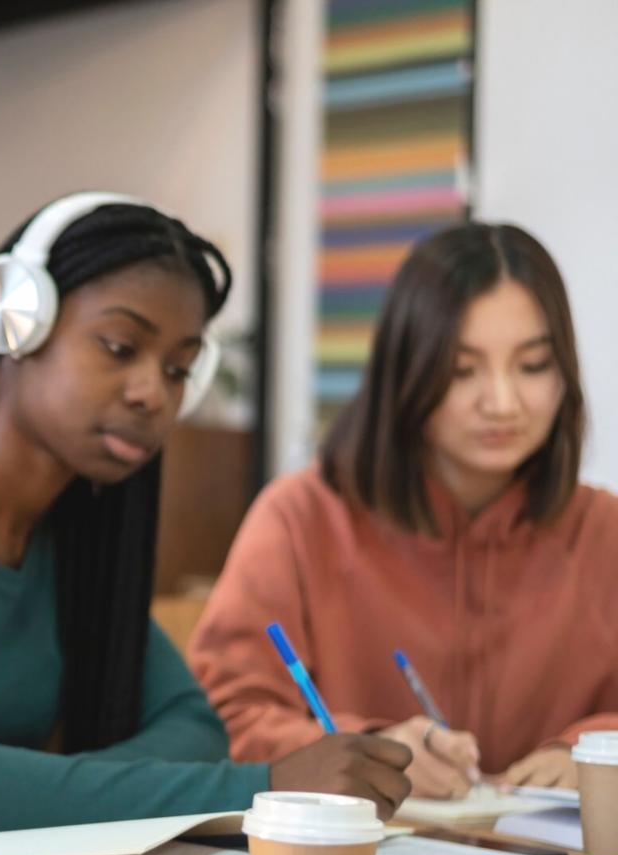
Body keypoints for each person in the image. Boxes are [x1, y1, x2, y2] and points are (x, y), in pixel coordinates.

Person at [0, 192, 412, 835]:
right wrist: (263, 790)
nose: (152, 393)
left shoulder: (75, 534)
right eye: (118, 346)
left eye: (178, 369)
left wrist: (43, 792)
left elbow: (193, 727)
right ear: (17, 321)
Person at [190, 222, 618, 798]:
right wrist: (368, 753)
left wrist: (588, 754)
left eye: (533, 365)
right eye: (463, 370)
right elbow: (223, 717)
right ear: (406, 371)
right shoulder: (302, 518)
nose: (502, 402)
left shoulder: (603, 532)